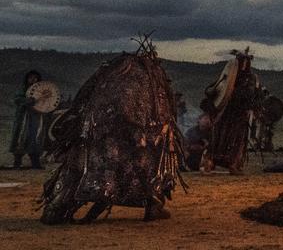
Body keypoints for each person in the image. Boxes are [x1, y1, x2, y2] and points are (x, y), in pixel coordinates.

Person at [40, 42, 184, 224]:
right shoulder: (137, 81)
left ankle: (153, 204)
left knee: (96, 169)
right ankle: (152, 204)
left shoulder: (117, 79)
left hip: (101, 136)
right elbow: (132, 113)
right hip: (112, 137)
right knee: (133, 167)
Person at [10, 70, 48, 169]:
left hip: (36, 118)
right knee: (21, 139)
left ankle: (35, 163)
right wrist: (31, 100)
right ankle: (17, 163)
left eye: (35, 78)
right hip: (24, 118)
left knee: (35, 139)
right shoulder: (22, 90)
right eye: (31, 78)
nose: (33, 80)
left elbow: (47, 103)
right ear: (27, 79)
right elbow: (17, 100)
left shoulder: (41, 90)